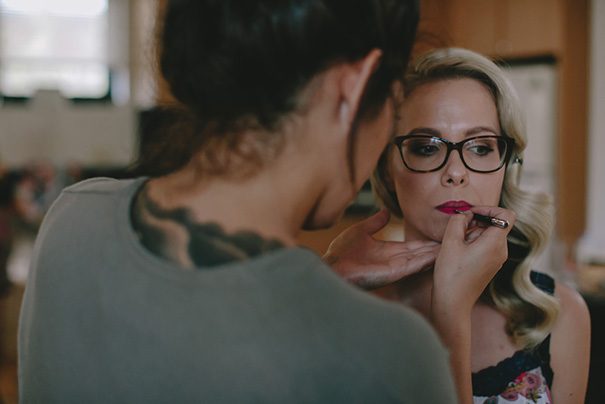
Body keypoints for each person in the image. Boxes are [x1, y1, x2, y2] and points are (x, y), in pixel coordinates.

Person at [19, 2, 513, 402]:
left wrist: (325, 277)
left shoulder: (73, 217)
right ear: (354, 86)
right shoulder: (387, 352)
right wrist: (451, 318)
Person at [358, 47, 589, 403]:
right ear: (388, 169)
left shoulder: (557, 315)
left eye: (480, 147)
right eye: (427, 147)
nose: (456, 172)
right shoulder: (347, 310)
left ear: (506, 165)